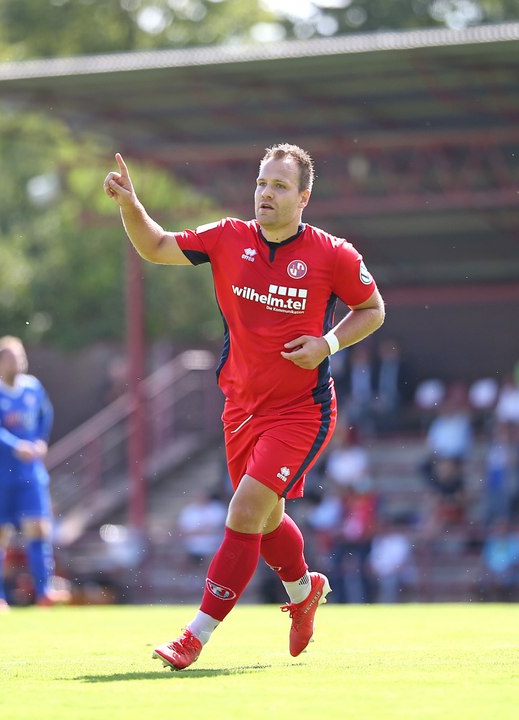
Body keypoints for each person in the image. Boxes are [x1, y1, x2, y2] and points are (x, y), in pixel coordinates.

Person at [105, 143, 385, 670]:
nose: (266, 194)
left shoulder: (332, 253)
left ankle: (195, 636)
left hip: (302, 410)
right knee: (266, 515)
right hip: (241, 408)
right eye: (261, 184)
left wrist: (327, 345)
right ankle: (304, 592)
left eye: (279, 187)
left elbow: (372, 309)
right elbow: (157, 246)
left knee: (245, 510)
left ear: (304, 197)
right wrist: (130, 207)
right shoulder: (228, 237)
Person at [0, 335, 60, 610]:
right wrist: (16, 445)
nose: (20, 360)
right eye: (12, 356)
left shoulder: (33, 387)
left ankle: (44, 591)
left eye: (21, 354)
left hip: (29, 472)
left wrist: (41, 439)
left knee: (39, 527)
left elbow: (46, 413)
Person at [177, 490, 228, 568]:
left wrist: (198, 531)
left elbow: (219, 529)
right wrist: (205, 530)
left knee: (212, 564)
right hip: (192, 546)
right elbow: (183, 532)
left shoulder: (217, 509)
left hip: (213, 546)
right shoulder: (189, 511)